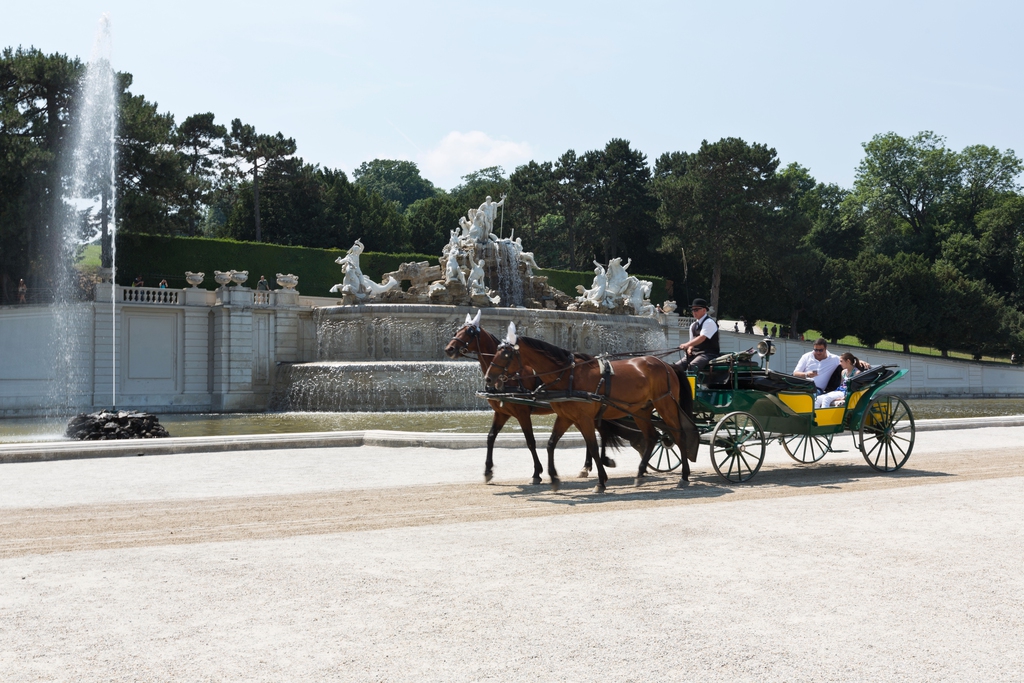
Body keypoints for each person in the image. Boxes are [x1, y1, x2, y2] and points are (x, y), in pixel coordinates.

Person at [675, 298, 719, 375]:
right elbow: (692, 342)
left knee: (692, 367)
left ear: (704, 310)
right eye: (693, 310)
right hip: (695, 354)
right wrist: (689, 349)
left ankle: (694, 386)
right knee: (676, 367)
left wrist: (686, 345)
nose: (694, 312)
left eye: (696, 310)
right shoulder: (693, 325)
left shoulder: (709, 322)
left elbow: (702, 338)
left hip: (708, 354)